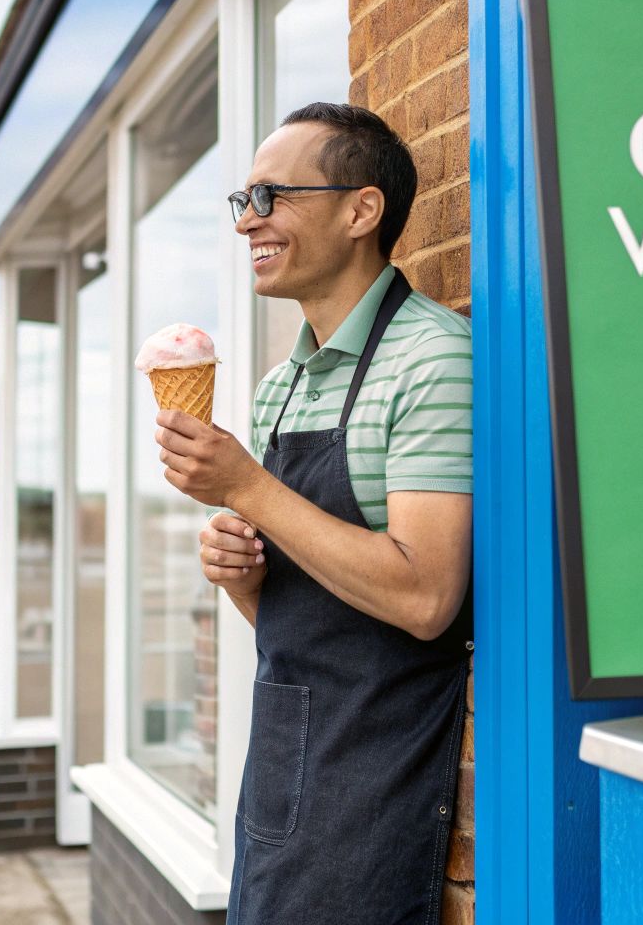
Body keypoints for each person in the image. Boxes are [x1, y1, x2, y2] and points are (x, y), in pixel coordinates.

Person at [154, 103, 473, 924]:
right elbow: (292, 618)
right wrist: (241, 574)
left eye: (273, 197)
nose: (247, 223)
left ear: (361, 210)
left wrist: (247, 487)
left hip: (375, 780)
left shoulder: (433, 359)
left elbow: (426, 599)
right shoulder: (277, 386)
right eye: (243, 201)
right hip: (281, 768)